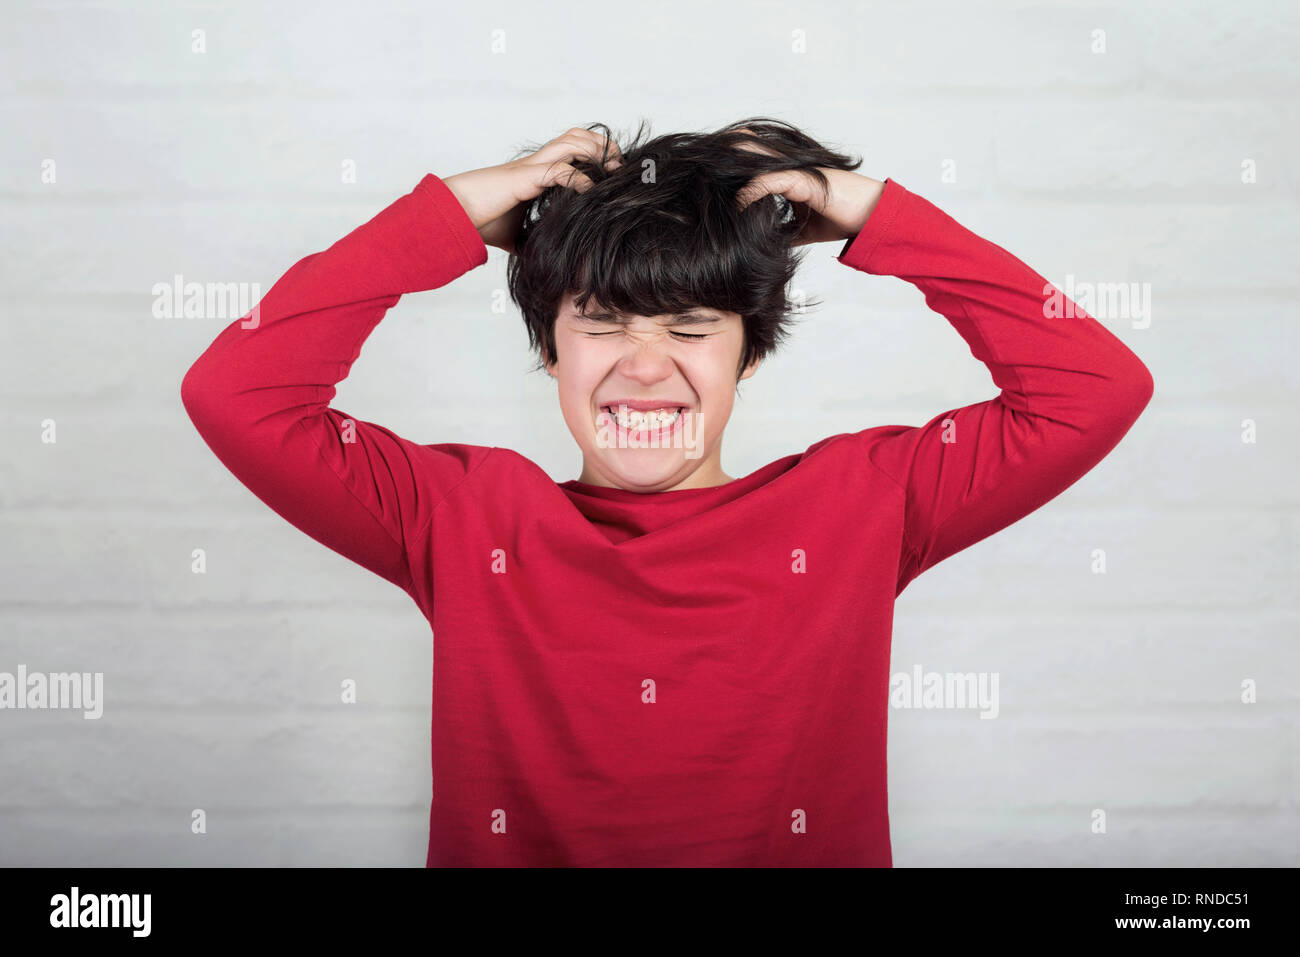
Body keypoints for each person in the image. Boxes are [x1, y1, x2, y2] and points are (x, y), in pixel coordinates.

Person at [180, 118, 1154, 866]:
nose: (645, 368)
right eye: (602, 323)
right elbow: (236, 395)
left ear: (747, 357)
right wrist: (444, 212)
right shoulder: (460, 513)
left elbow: (1093, 389)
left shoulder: (860, 503)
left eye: (690, 329)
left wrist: (870, 213)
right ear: (552, 349)